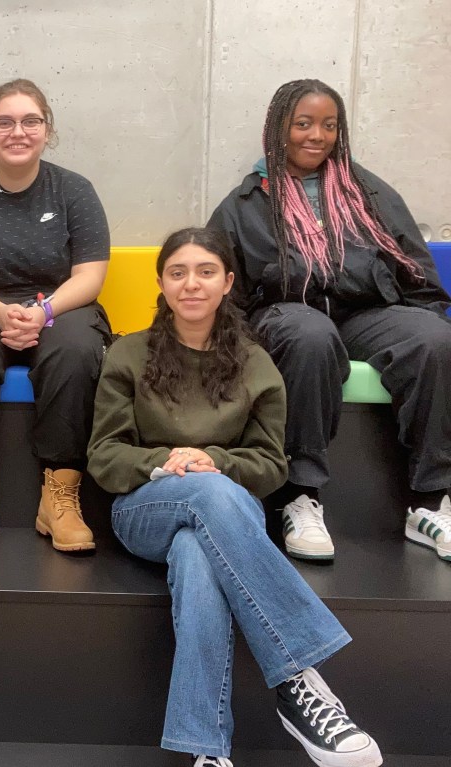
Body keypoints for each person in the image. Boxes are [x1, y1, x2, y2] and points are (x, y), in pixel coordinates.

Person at [88, 227, 382, 767]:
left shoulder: (255, 363)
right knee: (207, 491)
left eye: (205, 272)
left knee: (198, 558)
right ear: (161, 283)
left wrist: (215, 463)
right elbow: (105, 455)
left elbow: (270, 465)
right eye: (177, 273)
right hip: (145, 507)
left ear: (226, 282)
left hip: (226, 512)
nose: (191, 284)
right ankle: (297, 677)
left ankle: (206, 752)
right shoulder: (128, 353)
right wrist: (170, 462)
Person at [209, 78, 451, 563]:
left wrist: (419, 318)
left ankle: (430, 503)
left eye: (329, 125)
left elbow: (413, 266)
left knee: (434, 339)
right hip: (288, 316)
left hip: (366, 312)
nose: (316, 135)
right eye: (303, 123)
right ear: (278, 129)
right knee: (310, 335)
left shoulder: (369, 192)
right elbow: (225, 291)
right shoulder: (244, 205)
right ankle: (300, 497)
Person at [0, 78, 111, 553]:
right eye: (3, 122)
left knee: (78, 348)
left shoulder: (74, 191)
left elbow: (90, 276)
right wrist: (4, 313)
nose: (17, 132)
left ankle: (61, 496)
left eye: (30, 121)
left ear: (47, 129)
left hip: (61, 305)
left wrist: (43, 311)